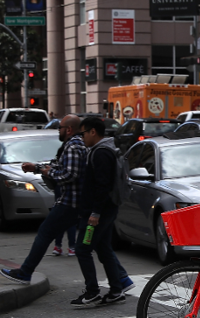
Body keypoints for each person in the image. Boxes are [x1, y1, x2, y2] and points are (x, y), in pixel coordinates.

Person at [1, 115, 87, 285]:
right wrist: (38, 168)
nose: (59, 131)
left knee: (44, 233)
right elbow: (60, 166)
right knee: (98, 245)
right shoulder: (76, 145)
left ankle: (25, 272)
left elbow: (69, 174)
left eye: (60, 128)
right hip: (75, 202)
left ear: (68, 129)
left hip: (69, 202)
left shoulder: (73, 146)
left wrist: (47, 173)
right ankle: (120, 280)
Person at [71, 116, 130, 306]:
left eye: (83, 133)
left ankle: (92, 291)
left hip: (97, 214)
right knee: (103, 249)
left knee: (82, 248)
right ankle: (116, 291)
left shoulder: (100, 153)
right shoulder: (103, 150)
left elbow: (102, 186)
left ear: (93, 132)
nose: (82, 137)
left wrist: (95, 213)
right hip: (104, 211)